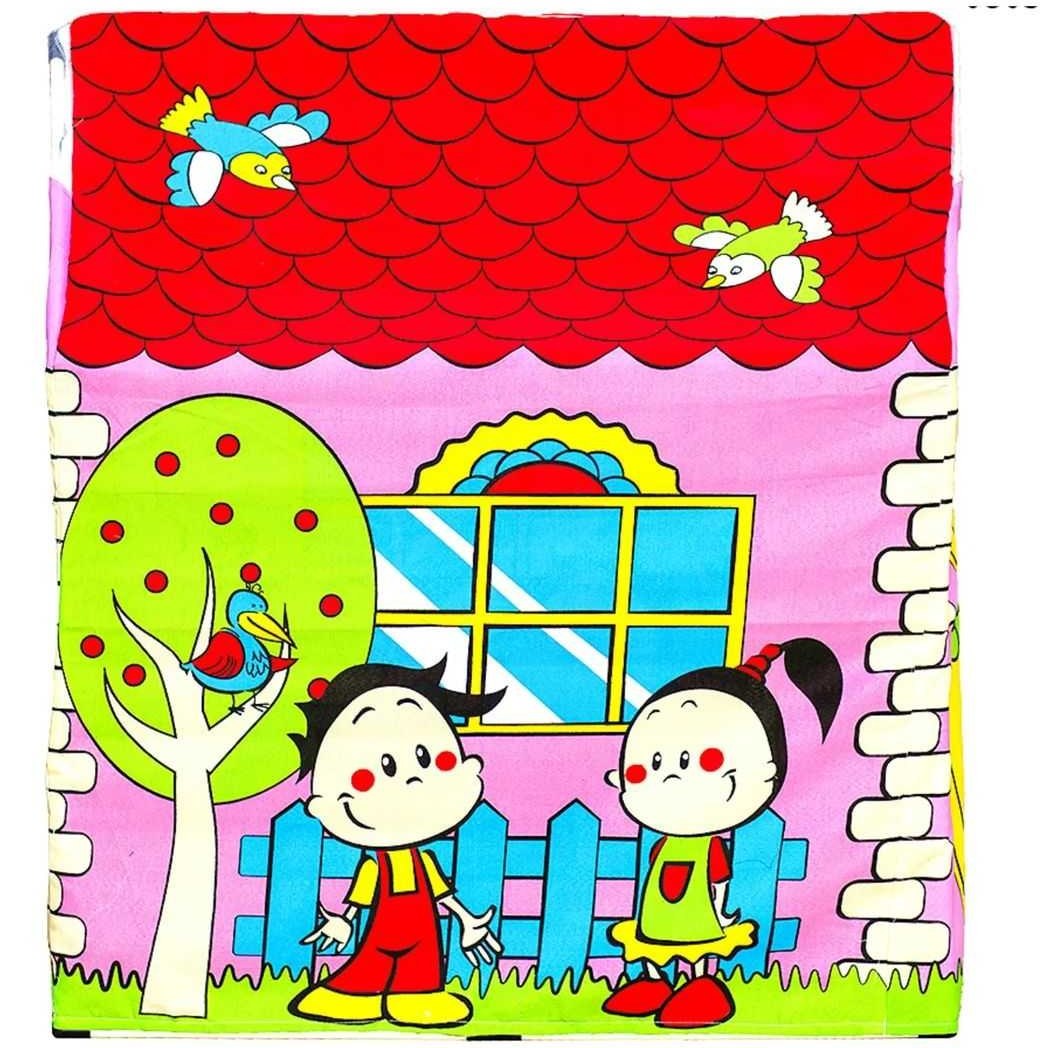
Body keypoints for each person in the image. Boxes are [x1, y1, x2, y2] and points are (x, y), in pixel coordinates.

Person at [603, 639, 843, 1028]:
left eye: (692, 760)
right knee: (650, 946)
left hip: (699, 917)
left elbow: (717, 883)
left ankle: (700, 984)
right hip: (656, 916)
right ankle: (653, 981)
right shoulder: (664, 843)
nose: (671, 775)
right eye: (654, 762)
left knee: (698, 949)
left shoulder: (709, 846)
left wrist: (719, 912)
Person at [286, 660, 505, 1028]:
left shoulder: (425, 862)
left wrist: (469, 922)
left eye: (425, 757)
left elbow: (443, 895)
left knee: (421, 977)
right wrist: (344, 921)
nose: (411, 781)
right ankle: (356, 995)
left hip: (423, 937)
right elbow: (361, 899)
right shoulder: (374, 866)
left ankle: (419, 995)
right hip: (380, 935)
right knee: (366, 969)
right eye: (384, 767)